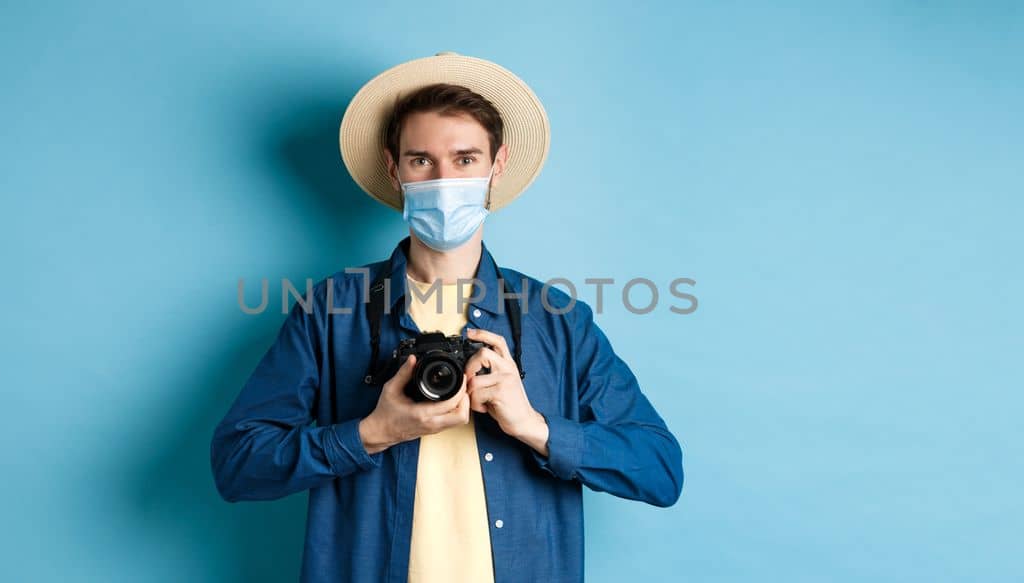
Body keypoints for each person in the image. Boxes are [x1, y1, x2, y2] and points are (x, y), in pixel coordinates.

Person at [211, 52, 684, 583]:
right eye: (421, 161)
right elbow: (236, 463)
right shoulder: (330, 312)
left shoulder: (558, 322)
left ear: (495, 167)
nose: (444, 179)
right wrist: (369, 433)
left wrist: (533, 426)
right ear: (394, 169)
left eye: (464, 160)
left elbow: (661, 471)